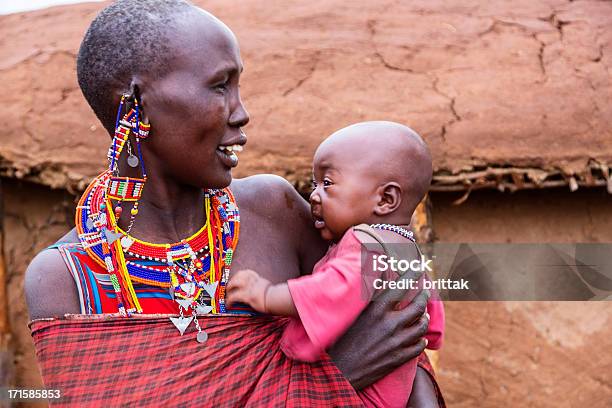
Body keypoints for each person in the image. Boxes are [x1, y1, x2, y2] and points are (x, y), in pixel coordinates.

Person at [24, 0, 444, 405]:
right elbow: (360, 354)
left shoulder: (273, 209)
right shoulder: (68, 279)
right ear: (135, 102)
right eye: (220, 85)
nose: (241, 113)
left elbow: (402, 336)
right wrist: (337, 375)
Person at [227, 121, 445, 407]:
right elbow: (432, 322)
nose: (314, 195)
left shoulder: (363, 241)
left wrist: (267, 295)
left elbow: (328, 291)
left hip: (357, 397)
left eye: (327, 183)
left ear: (386, 199)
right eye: (314, 183)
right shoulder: (410, 252)